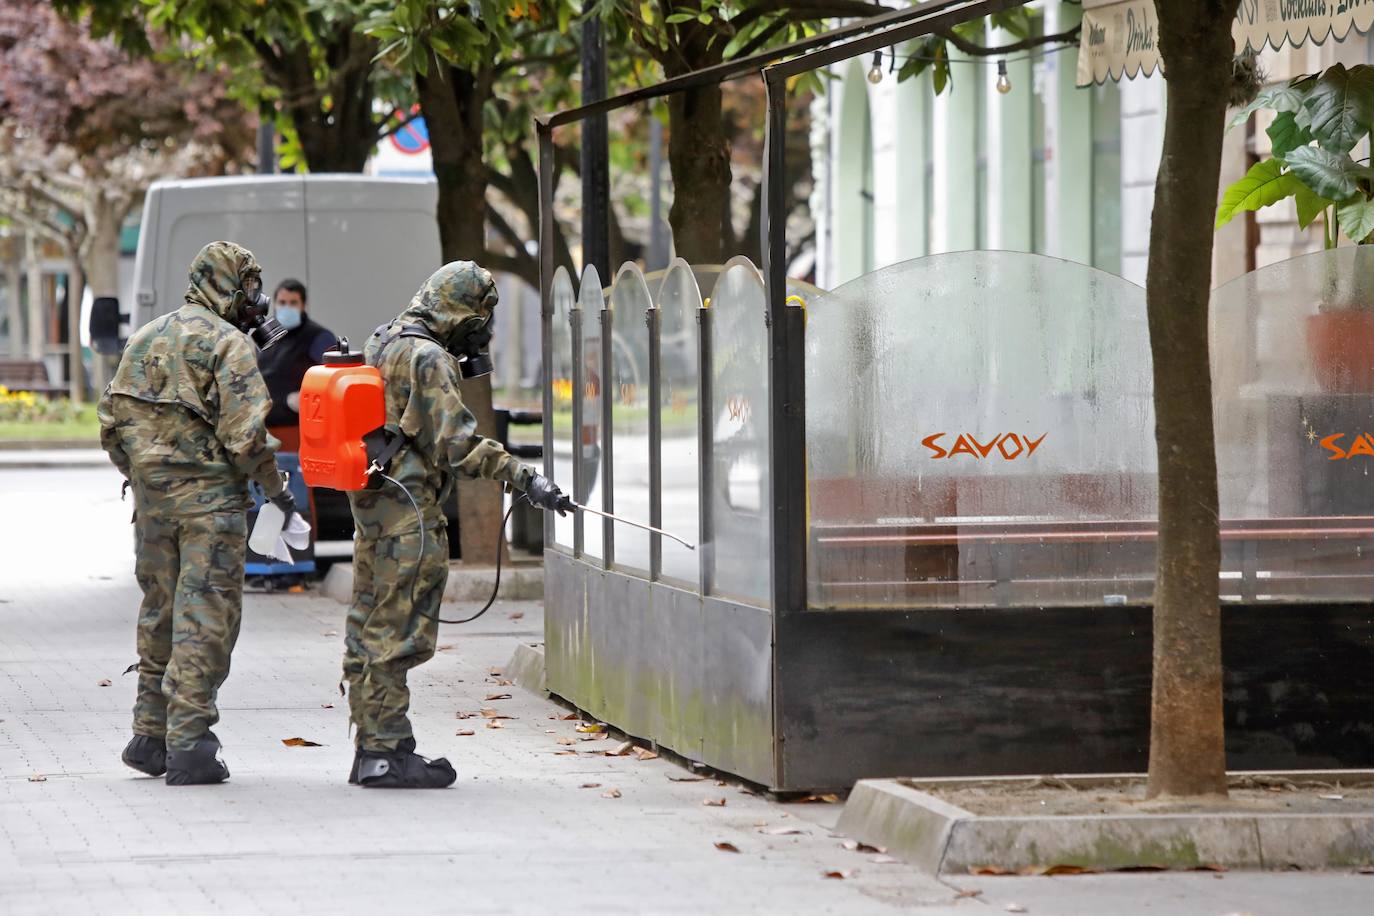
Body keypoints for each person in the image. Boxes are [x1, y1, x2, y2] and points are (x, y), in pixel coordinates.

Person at [344, 260, 570, 789]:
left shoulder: (383, 341)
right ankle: (386, 753)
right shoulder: (429, 358)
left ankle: (374, 744)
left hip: (371, 506)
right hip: (410, 516)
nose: (483, 331)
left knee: (367, 624)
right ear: (463, 312)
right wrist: (524, 478)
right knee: (397, 632)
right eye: (482, 318)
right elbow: (459, 445)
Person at [98, 240, 298, 786]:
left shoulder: (146, 337)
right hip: (211, 509)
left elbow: (111, 424)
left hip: (153, 506)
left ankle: (149, 735)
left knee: (160, 611)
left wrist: (144, 477)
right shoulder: (229, 345)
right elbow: (246, 436)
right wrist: (276, 492)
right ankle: (190, 745)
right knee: (205, 618)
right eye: (249, 287)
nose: (255, 300)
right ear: (226, 286)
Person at [257, 279, 338, 441]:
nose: (287, 307)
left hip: (300, 430)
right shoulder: (265, 334)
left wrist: (306, 398)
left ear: (303, 305)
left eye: (293, 302)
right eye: (282, 302)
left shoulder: (319, 337)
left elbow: (334, 381)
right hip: (265, 428)